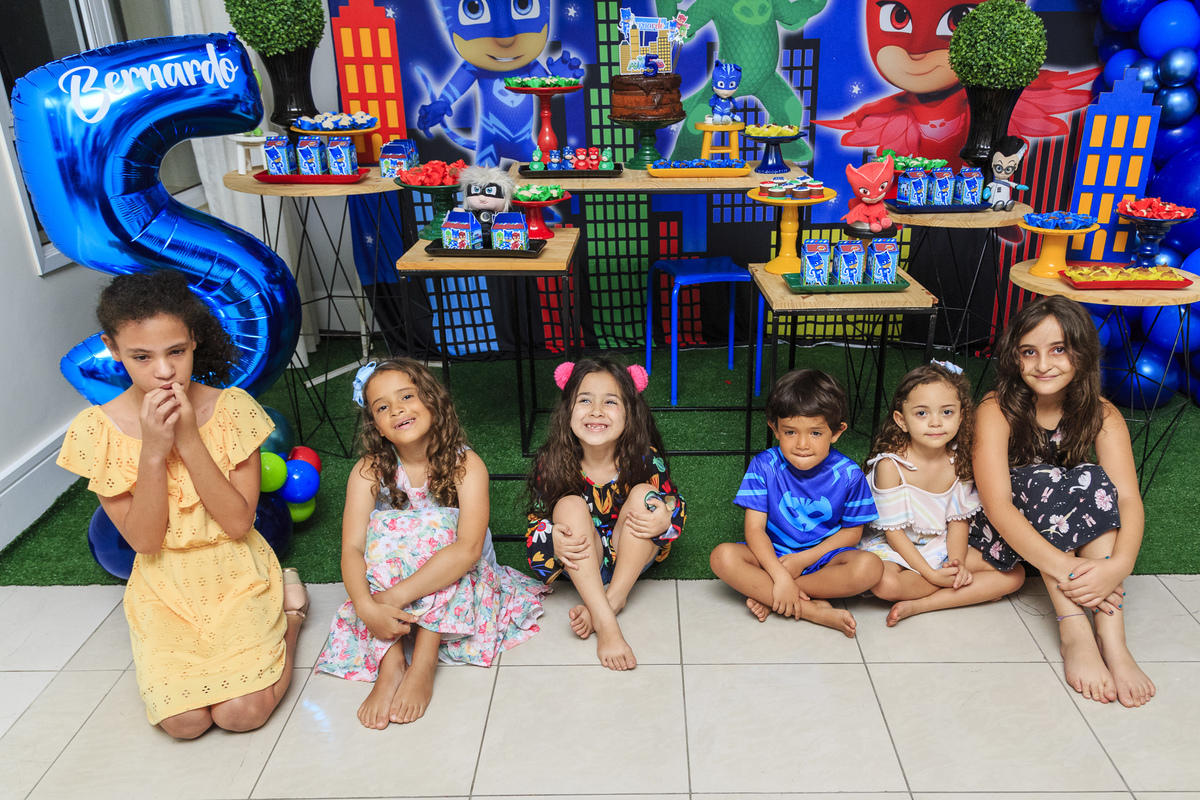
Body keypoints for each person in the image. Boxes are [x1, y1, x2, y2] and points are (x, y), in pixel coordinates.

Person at [57, 270, 306, 739]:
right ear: (112, 349)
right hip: (163, 583)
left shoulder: (233, 409)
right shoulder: (96, 431)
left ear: (194, 339)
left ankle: (291, 619)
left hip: (235, 570)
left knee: (242, 714)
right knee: (183, 723)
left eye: (176, 351)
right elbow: (145, 541)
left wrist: (189, 440)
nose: (164, 371)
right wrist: (153, 451)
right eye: (141, 356)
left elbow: (238, 523)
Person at [317, 359, 546, 728]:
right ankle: (392, 663)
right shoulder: (368, 470)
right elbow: (353, 549)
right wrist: (365, 605)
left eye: (407, 396)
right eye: (382, 407)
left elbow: (468, 550)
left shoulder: (466, 463)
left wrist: (388, 600)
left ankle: (424, 660)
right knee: (384, 531)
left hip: (460, 570)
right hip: (395, 571)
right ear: (375, 425)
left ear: (433, 402)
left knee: (438, 527)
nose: (397, 410)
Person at [971, 296, 1155, 707]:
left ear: (1082, 354)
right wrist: (1070, 570)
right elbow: (997, 505)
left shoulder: (1103, 413)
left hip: (1062, 528)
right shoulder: (996, 408)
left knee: (1091, 477)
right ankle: (1074, 629)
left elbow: (1128, 498)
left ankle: (1112, 638)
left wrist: (1118, 567)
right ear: (1014, 357)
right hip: (1000, 532)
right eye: (1028, 352)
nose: (1043, 364)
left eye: (1058, 350)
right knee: (1043, 477)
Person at [525, 358, 686, 671]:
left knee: (646, 496)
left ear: (629, 413)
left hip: (632, 556)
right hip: (583, 561)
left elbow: (674, 503)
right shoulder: (553, 461)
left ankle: (612, 599)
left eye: (610, 402)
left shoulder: (645, 458)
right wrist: (554, 538)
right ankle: (608, 621)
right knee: (568, 506)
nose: (596, 411)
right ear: (567, 411)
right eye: (585, 400)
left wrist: (664, 517)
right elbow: (537, 523)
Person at [710, 369, 884, 637]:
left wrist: (801, 562)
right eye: (790, 432)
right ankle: (812, 610)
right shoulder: (764, 466)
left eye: (815, 433)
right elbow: (754, 530)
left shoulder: (850, 474)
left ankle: (774, 595)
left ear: (836, 432)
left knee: (870, 568)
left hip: (825, 558)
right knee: (722, 557)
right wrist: (779, 574)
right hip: (772, 556)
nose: (802, 444)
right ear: (774, 428)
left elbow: (852, 533)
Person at [861, 363, 1025, 625]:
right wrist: (932, 575)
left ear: (961, 417)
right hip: (896, 547)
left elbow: (958, 521)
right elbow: (894, 533)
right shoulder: (891, 466)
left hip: (941, 546)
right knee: (885, 583)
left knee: (1014, 575)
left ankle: (921, 604)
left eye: (947, 412)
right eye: (921, 413)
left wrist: (956, 565)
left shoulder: (959, 461)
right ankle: (962, 591)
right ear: (901, 420)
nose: (935, 422)